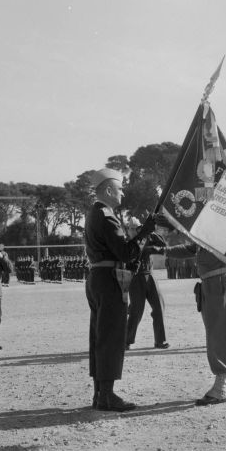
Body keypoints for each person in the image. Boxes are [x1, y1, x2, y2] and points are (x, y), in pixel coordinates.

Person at [84, 168, 155, 412]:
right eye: (120, 188)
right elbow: (125, 252)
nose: (123, 192)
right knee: (112, 336)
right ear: (108, 190)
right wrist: (144, 232)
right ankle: (108, 395)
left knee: (99, 335)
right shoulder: (107, 216)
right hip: (109, 278)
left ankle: (99, 395)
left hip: (98, 277)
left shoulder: (95, 213)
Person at [157, 221, 226, 406]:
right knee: (222, 332)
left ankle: (220, 387)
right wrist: (163, 249)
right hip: (215, 283)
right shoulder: (209, 231)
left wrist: (175, 225)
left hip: (219, 282)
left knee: (218, 334)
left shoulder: (220, 228)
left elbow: (196, 242)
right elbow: (192, 248)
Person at [125, 217, 169, 350]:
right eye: (131, 228)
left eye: (136, 227)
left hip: (150, 276)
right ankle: (126, 340)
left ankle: (160, 341)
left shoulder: (146, 237)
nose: (134, 230)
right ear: (127, 230)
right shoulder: (128, 243)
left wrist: (149, 231)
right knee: (136, 311)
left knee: (159, 307)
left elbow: (162, 244)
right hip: (135, 278)